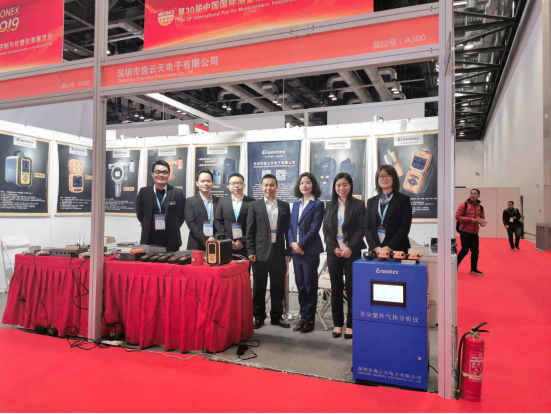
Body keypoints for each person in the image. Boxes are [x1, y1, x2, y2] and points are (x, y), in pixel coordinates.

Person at [323, 173, 366, 340]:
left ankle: (351, 325)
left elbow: (361, 229)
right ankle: (338, 323)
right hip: (334, 253)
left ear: (350, 186)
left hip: (351, 252)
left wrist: (350, 248)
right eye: (338, 185)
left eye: (345, 185)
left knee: (352, 288)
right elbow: (326, 230)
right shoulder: (329, 205)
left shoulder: (358, 204)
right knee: (336, 289)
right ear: (334, 187)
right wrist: (333, 248)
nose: (341, 188)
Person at [246, 174, 292, 330]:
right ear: (261, 187)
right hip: (260, 252)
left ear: (276, 187)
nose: (269, 188)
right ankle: (258, 317)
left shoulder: (284, 206)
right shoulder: (254, 205)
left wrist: (288, 251)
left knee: (278, 287)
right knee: (259, 287)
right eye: (266, 185)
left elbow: (288, 231)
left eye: (272, 185)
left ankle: (277, 317)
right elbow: (250, 230)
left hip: (278, 252)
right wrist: (250, 250)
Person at [288, 172, 325, 334]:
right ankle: (303, 317)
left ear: (313, 185)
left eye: (308, 182)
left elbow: (314, 229)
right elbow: (290, 227)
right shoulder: (296, 205)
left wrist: (300, 245)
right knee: (301, 285)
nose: (304, 185)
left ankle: (310, 319)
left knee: (310, 285)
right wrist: (293, 244)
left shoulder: (318, 204)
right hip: (296, 250)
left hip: (309, 251)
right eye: (302, 182)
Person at [136, 160, 186, 252]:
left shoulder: (177, 193)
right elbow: (140, 214)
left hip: (171, 241)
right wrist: (147, 224)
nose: (161, 175)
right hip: (148, 240)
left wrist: (173, 227)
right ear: (152, 174)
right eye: (158, 172)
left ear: (169, 175)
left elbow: (181, 216)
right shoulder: (144, 192)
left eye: (165, 172)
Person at [364, 165, 413, 255]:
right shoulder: (371, 201)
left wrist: (389, 247)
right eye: (381, 176)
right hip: (375, 250)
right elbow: (367, 227)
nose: (384, 179)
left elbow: (404, 227)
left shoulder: (403, 200)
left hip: (397, 249)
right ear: (377, 179)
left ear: (394, 178)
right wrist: (376, 248)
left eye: (388, 176)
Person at [214, 173, 255, 259]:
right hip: (226, 244)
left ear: (244, 185)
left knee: (244, 266)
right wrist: (229, 240)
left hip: (246, 246)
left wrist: (243, 241)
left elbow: (253, 224)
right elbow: (218, 221)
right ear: (229, 186)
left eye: (239, 183)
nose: (236, 186)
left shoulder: (252, 202)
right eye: (233, 183)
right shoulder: (222, 201)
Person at [185, 170, 219, 251]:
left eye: (208, 181)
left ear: (212, 183)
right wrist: (205, 239)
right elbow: (191, 223)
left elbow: (221, 223)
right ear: (197, 183)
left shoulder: (219, 201)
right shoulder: (190, 201)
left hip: (215, 242)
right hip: (196, 244)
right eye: (202, 181)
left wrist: (214, 238)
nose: (205, 183)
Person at [456, 189, 487, 275]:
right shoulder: (464, 205)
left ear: (478, 196)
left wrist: (482, 223)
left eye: (474, 194)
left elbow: (482, 218)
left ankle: (473, 269)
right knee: (465, 250)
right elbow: (457, 217)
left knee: (475, 251)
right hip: (465, 231)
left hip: (475, 232)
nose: (472, 195)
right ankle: (454, 266)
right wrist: (470, 219)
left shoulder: (480, 207)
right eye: (471, 193)